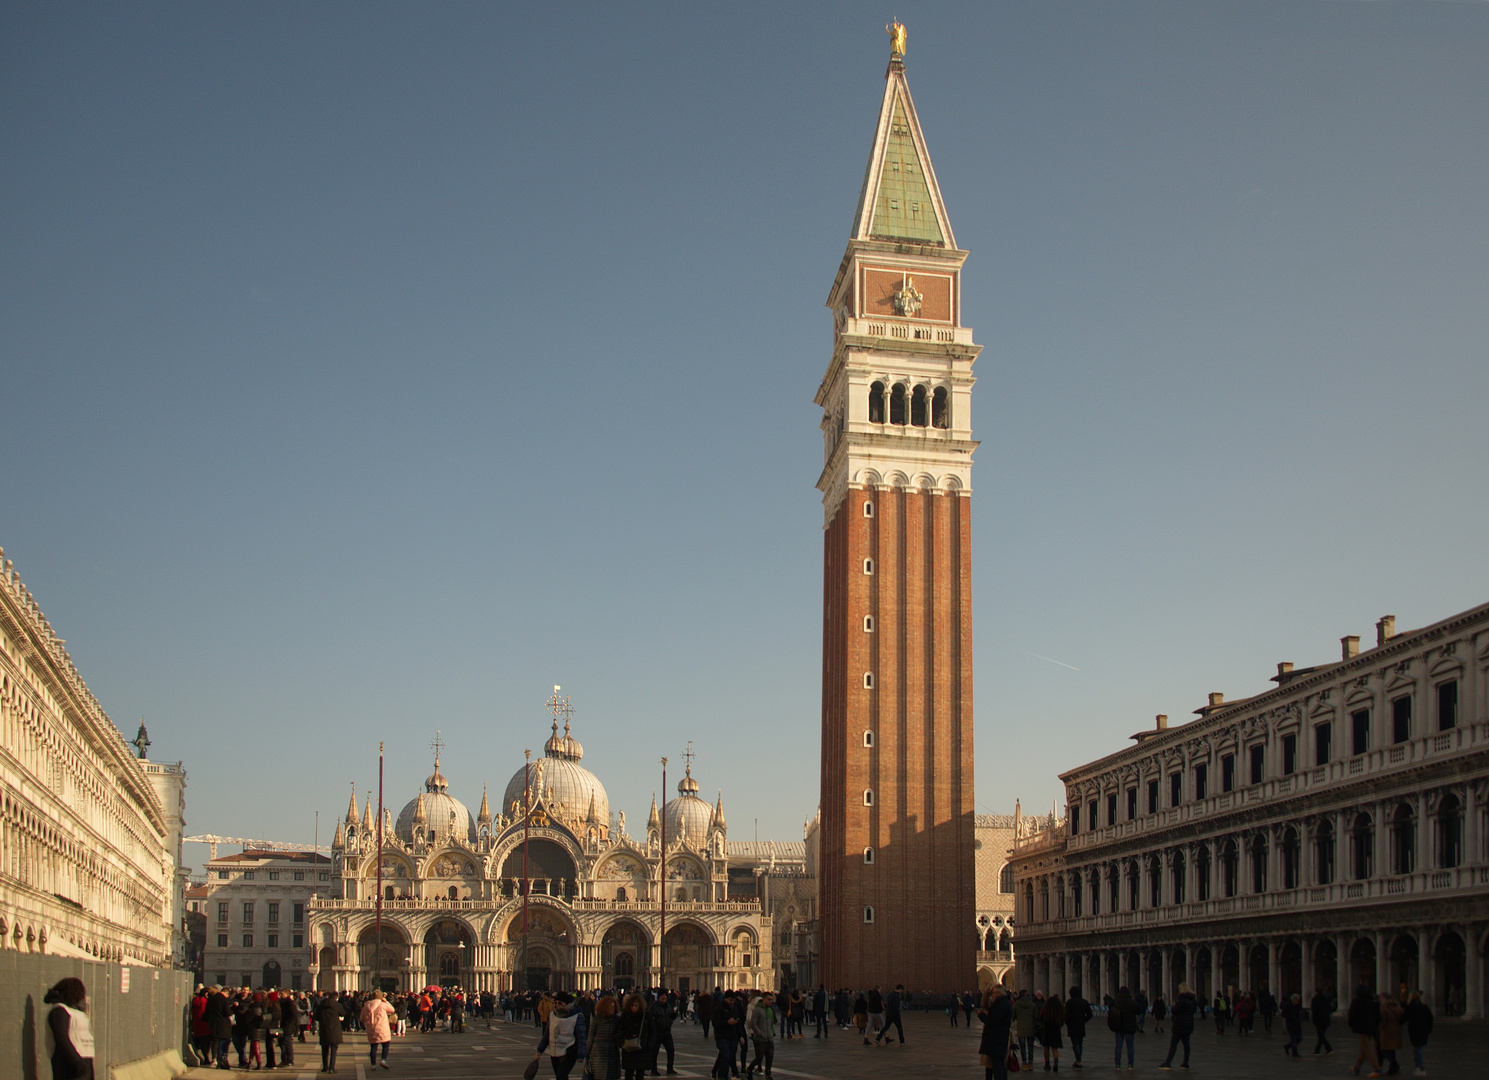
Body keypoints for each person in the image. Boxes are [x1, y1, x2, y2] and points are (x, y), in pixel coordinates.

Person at [44, 978, 95, 1080]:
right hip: (69, 1065)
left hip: (83, 1062)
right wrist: (78, 1062)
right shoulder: (59, 1010)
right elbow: (61, 1037)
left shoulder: (74, 1011)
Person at [535, 992, 588, 1080]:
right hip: (554, 1051)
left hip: (569, 1051)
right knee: (560, 1076)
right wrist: (540, 1050)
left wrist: (581, 1054)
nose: (557, 1005)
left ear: (566, 1004)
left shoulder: (576, 1016)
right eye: (555, 1003)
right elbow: (547, 1034)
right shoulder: (553, 1014)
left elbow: (581, 1036)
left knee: (561, 1075)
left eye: (560, 1003)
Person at [978, 984, 1014, 1080]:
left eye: (993, 993)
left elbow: (993, 1020)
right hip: (996, 1040)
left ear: (999, 993)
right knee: (995, 1065)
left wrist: (981, 1016)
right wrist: (987, 992)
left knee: (998, 1066)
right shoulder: (999, 1004)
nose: (992, 995)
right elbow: (985, 1004)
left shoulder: (1001, 1005)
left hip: (996, 1040)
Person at [1346, 982, 1382, 1078]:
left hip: (1361, 1028)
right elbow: (1378, 1015)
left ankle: (1377, 1068)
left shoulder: (1357, 1001)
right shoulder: (1373, 1000)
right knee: (1363, 1049)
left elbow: (1352, 1014)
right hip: (1371, 1028)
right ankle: (1357, 1068)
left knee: (1366, 1048)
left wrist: (1351, 1024)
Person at [359, 989, 395, 1071]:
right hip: (382, 1028)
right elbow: (392, 1010)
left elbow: (361, 1018)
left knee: (373, 1047)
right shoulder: (382, 1004)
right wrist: (386, 1001)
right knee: (385, 1045)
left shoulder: (366, 1006)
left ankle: (373, 1065)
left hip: (371, 1029)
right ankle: (383, 1060)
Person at [587, 994, 621, 1080]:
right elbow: (590, 1036)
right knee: (599, 1075)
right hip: (599, 1051)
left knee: (612, 1075)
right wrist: (587, 1052)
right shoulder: (597, 1019)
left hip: (612, 1051)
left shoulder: (617, 1020)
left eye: (613, 1007)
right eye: (610, 1007)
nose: (612, 1009)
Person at [744, 991, 776, 1079]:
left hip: (769, 1038)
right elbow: (753, 1023)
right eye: (769, 999)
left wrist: (772, 1032)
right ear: (764, 999)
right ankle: (750, 1069)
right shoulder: (757, 1010)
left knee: (770, 1057)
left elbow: (772, 1022)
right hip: (760, 1039)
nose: (770, 1001)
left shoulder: (770, 1010)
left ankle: (768, 1075)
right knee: (759, 1057)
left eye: (771, 1000)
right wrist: (759, 1033)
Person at [711, 990, 742, 1080]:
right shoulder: (718, 1009)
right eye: (730, 1000)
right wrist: (727, 1022)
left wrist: (740, 1035)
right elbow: (715, 1022)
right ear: (725, 999)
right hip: (722, 1036)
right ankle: (721, 1075)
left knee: (727, 1056)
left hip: (732, 1036)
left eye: (733, 1000)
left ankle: (722, 1074)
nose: (732, 1002)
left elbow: (738, 1022)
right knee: (726, 1055)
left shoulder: (734, 1009)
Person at [1403, 989, 1432, 1078]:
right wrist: (1428, 1029)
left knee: (1417, 1049)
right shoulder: (1424, 1006)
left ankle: (1420, 1067)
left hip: (1414, 1031)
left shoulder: (1411, 1007)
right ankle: (1417, 1067)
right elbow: (1430, 1018)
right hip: (1423, 1030)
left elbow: (1405, 1018)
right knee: (1417, 1048)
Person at [647, 990, 677, 1075]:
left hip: (667, 1032)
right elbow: (649, 1018)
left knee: (671, 1050)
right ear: (659, 997)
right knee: (654, 1052)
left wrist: (673, 1016)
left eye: (665, 996)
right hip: (657, 1033)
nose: (664, 997)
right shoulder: (653, 1006)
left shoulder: (668, 1006)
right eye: (662, 996)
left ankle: (670, 1068)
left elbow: (669, 1016)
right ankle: (654, 1070)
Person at [1064, 986, 1092, 1070]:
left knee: (1075, 1043)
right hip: (1081, 1026)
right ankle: (1078, 1059)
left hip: (1072, 1026)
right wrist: (1084, 1020)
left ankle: (1078, 1060)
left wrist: (1067, 1023)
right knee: (1080, 1044)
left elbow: (1066, 1015)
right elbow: (1090, 1014)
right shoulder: (1084, 1002)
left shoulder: (1069, 1002)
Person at [1109, 986, 1137, 1070]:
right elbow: (1139, 1011)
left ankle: (1117, 1064)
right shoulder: (1132, 1002)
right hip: (1130, 1027)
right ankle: (1130, 1064)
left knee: (1118, 1046)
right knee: (1130, 1047)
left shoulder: (1116, 1002)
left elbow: (1110, 1007)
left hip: (1119, 1027)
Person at [316, 993, 344, 1073]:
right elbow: (343, 1013)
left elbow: (316, 1017)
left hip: (324, 1029)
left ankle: (325, 1067)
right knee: (334, 1050)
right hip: (335, 1029)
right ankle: (331, 1068)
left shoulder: (321, 1005)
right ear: (336, 998)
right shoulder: (337, 1005)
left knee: (324, 1049)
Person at [1376, 993, 1403, 1076]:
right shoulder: (1397, 1007)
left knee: (1384, 1049)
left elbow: (1383, 1020)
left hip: (1387, 1030)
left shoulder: (1384, 1008)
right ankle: (1392, 1067)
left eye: (1380, 997)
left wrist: (1380, 1028)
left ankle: (1394, 1064)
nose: (1379, 999)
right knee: (1391, 1049)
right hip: (1396, 1029)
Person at [1040, 990, 1065, 1071]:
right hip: (1056, 1031)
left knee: (1046, 1048)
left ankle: (1047, 1064)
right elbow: (1062, 1021)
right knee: (1055, 1048)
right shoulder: (1059, 1012)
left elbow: (1041, 1019)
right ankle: (1056, 1064)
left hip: (1047, 1031)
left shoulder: (1046, 1011)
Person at [1012, 989, 1038, 1070]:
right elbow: (1036, 1016)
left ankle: (1024, 1063)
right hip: (1030, 1028)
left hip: (1021, 1028)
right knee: (1030, 1046)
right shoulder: (1032, 1004)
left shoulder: (1016, 1004)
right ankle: (1030, 1063)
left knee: (1022, 1047)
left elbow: (1013, 1016)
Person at [1311, 986, 1335, 1054]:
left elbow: (1314, 1011)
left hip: (1319, 1020)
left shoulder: (1315, 999)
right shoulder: (1325, 999)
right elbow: (1330, 1009)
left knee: (1321, 1035)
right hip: (1326, 1020)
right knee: (1321, 1035)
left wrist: (1314, 1020)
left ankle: (1329, 1049)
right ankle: (1317, 1050)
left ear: (1316, 992)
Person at [1280, 993, 1304, 1057]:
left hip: (1297, 1025)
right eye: (1297, 1000)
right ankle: (1294, 1052)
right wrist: (1291, 1017)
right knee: (1294, 1039)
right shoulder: (1287, 1005)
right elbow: (1283, 1014)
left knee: (1299, 1038)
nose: (1298, 1001)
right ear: (1293, 999)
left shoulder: (1297, 1006)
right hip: (1291, 1025)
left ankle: (1287, 1046)